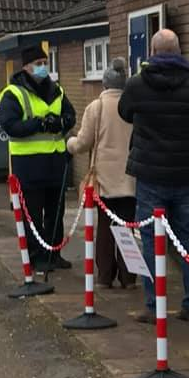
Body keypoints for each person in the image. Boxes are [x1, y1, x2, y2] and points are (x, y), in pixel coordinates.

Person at [118, 30, 189, 323]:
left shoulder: (137, 85)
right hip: (188, 176)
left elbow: (124, 112)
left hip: (149, 176)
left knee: (151, 240)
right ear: (179, 51)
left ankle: (153, 305)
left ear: (152, 51)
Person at [0, 44, 76, 272]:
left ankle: (54, 254)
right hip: (29, 166)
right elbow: (10, 126)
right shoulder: (14, 93)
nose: (43, 68)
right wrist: (39, 123)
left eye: (45, 64)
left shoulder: (57, 90)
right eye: (38, 64)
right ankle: (36, 256)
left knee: (56, 213)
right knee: (32, 215)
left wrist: (60, 122)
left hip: (55, 162)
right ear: (26, 67)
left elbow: (70, 116)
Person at [66, 58, 136, 289]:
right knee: (127, 227)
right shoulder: (133, 105)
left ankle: (105, 275)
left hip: (104, 179)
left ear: (105, 85)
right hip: (130, 178)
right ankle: (128, 276)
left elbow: (84, 143)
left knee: (105, 227)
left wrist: (70, 143)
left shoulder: (96, 107)